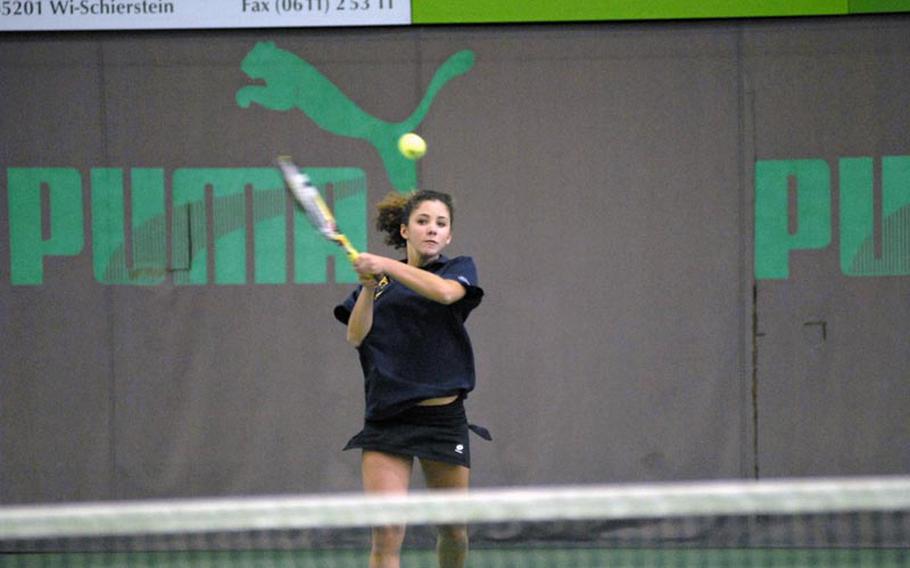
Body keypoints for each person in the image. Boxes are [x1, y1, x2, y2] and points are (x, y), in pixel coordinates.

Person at [333, 189, 488, 568]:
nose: (432, 230)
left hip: (441, 419)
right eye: (422, 222)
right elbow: (356, 335)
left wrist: (388, 265)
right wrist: (370, 286)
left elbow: (445, 294)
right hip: (389, 419)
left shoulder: (456, 270)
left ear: (449, 235)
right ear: (405, 230)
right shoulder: (381, 282)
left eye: (441, 223)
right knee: (386, 533)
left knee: (452, 531)